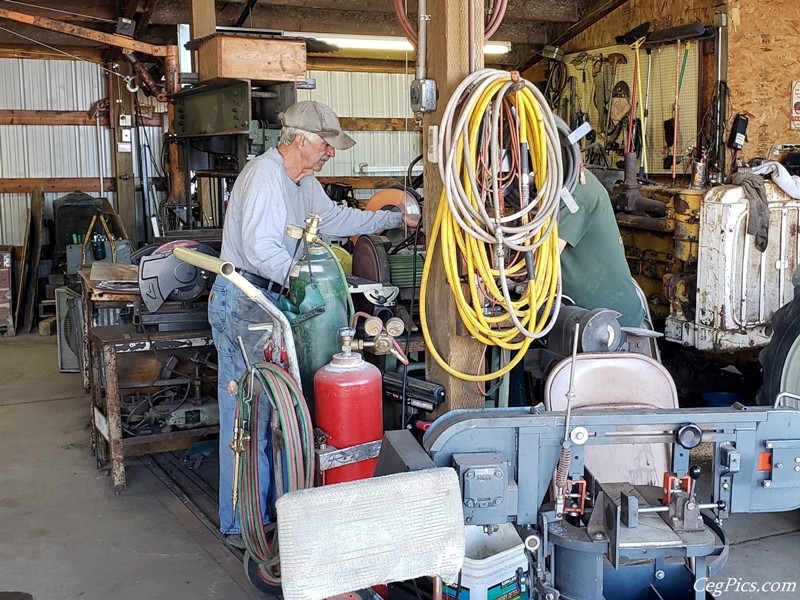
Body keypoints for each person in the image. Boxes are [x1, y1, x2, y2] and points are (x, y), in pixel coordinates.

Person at [208, 100, 418, 547]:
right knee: (250, 415)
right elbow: (261, 247)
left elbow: (337, 220)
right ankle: (242, 524)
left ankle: (278, 516)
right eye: (326, 145)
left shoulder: (303, 182)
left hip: (271, 299)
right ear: (300, 140)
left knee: (282, 411)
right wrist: (308, 285)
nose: (330, 153)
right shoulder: (265, 176)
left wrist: (392, 219)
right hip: (245, 299)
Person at [558, 166, 646, 329]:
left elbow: (540, 264)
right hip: (581, 321)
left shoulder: (576, 189)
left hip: (613, 328)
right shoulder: (564, 186)